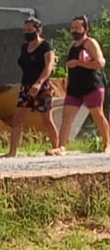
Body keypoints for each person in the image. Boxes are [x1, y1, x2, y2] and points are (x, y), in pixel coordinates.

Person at [51, 14, 110, 155]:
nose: (74, 31)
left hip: (91, 85)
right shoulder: (72, 46)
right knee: (67, 117)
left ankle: (107, 144)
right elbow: (70, 67)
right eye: (72, 28)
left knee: (98, 115)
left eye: (77, 28)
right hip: (74, 88)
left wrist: (79, 63)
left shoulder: (90, 43)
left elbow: (100, 63)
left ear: (85, 28)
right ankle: (61, 147)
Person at [5, 16, 58, 157]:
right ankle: (12, 152)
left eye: (30, 30)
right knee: (17, 119)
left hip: (42, 87)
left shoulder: (46, 46)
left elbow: (49, 66)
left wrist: (39, 83)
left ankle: (57, 148)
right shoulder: (24, 47)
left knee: (46, 119)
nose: (27, 33)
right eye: (25, 30)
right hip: (26, 87)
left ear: (38, 30)